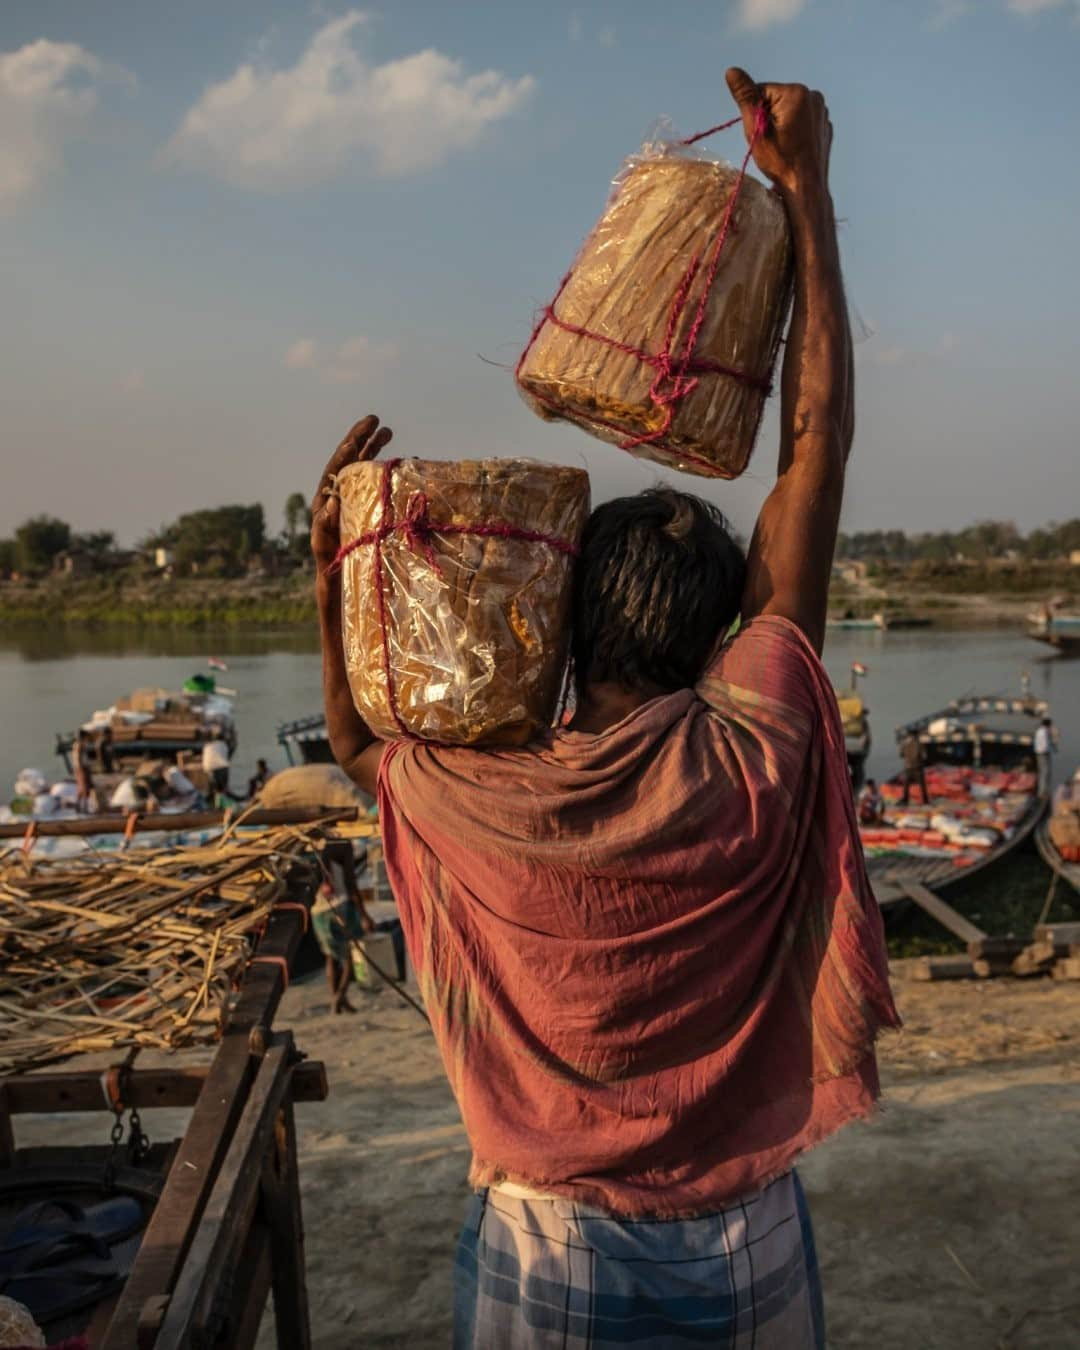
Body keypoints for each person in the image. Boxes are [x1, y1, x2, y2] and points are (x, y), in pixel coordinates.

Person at [313, 71, 899, 1349]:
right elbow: (814, 445)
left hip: (546, 1238)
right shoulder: (755, 742)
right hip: (748, 1230)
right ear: (720, 633)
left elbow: (356, 739)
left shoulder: (477, 792)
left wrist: (337, 573)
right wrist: (808, 196)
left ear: (563, 630)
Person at [310, 839, 373, 1014]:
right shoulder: (343, 845)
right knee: (349, 957)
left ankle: (337, 1000)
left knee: (330, 957)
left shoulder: (311, 847)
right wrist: (364, 915)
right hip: (340, 908)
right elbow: (351, 884)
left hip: (317, 912)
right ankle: (339, 997)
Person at [899, 730, 929, 807]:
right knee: (922, 785)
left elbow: (901, 755)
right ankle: (925, 801)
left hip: (908, 767)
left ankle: (905, 800)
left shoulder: (905, 744)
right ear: (916, 736)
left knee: (906, 785)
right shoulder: (919, 744)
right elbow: (924, 756)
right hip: (917, 767)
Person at [73, 729, 94, 814]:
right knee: (85, 787)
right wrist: (81, 768)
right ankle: (84, 807)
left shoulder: (78, 744)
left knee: (81, 788)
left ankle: (78, 806)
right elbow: (78, 757)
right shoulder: (80, 745)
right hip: (82, 768)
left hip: (80, 768)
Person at [1034, 717, 1055, 798]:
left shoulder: (1039, 731)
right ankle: (1042, 792)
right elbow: (1045, 745)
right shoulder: (1044, 732)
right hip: (1044, 753)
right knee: (1045, 772)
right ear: (1048, 724)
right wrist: (1051, 750)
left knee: (1042, 772)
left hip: (1039, 753)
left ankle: (1042, 791)